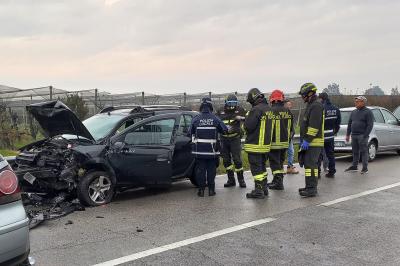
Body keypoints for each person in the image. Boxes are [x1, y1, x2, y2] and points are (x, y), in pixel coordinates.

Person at [189, 97, 228, 197]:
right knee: (211, 170)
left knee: (200, 171)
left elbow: (190, 132)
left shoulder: (196, 119)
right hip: (212, 152)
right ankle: (211, 190)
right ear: (211, 106)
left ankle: (201, 191)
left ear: (201, 106)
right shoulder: (215, 118)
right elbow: (224, 130)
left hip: (199, 152)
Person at [243, 88, 272, 199]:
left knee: (256, 169)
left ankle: (258, 190)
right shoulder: (268, 109)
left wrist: (245, 121)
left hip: (255, 145)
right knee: (262, 167)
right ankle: (264, 188)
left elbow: (249, 126)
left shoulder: (255, 110)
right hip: (265, 145)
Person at [298, 83, 324, 197]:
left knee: (311, 165)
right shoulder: (311, 105)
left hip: (313, 142)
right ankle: (309, 186)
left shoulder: (316, 106)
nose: (302, 97)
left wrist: (307, 140)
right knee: (308, 166)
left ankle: (312, 189)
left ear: (310, 93)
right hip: (310, 141)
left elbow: (314, 126)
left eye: (303, 95)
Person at [216, 94, 247, 188]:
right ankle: (231, 180)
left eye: (234, 103)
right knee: (226, 160)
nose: (232, 105)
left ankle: (241, 180)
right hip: (224, 139)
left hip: (235, 138)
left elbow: (249, 119)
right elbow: (216, 122)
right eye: (230, 103)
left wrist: (241, 119)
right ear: (226, 103)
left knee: (237, 160)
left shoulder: (240, 110)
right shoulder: (220, 111)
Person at [267, 90, 294, 190]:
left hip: (273, 143)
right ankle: (276, 180)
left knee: (274, 163)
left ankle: (278, 183)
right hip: (285, 143)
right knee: (280, 163)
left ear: (272, 100)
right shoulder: (288, 111)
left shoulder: (270, 111)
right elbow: (291, 128)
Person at [344, 96, 374, 174]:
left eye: (358, 102)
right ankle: (354, 166)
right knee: (355, 152)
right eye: (355, 102)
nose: (356, 103)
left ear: (363, 102)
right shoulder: (354, 112)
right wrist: (347, 134)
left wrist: (365, 135)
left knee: (364, 152)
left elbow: (370, 125)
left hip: (362, 135)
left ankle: (365, 168)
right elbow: (350, 123)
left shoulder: (368, 112)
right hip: (353, 135)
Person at [318, 92, 341, 178]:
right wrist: (333, 132)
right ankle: (332, 171)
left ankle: (318, 173)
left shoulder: (321, 108)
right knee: (330, 155)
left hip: (320, 136)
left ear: (321, 99)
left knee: (318, 155)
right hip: (330, 135)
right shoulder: (336, 109)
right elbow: (338, 124)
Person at [284, 99, 299, 174]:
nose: (290, 106)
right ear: (285, 105)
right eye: (288, 104)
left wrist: (292, 133)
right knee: (282, 153)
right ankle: (280, 169)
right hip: (283, 138)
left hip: (289, 137)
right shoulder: (282, 113)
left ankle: (289, 167)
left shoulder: (290, 113)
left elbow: (291, 126)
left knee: (291, 152)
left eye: (290, 104)